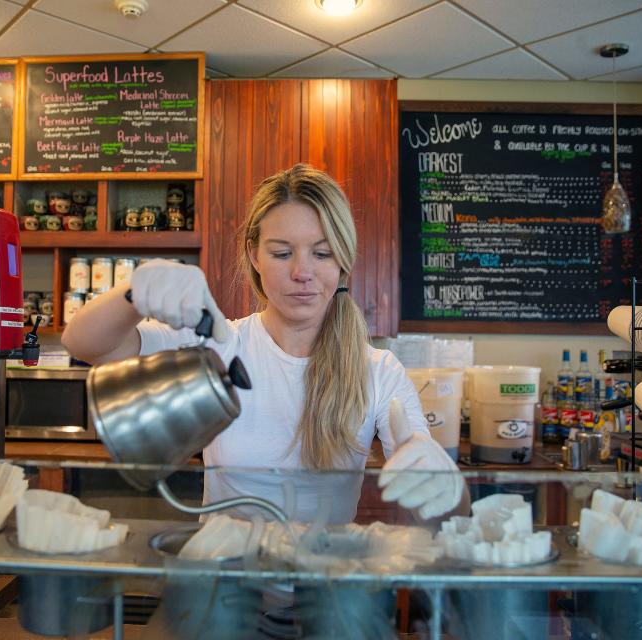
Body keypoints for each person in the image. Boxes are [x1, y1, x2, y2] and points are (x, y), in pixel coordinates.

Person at [62, 163, 463, 524]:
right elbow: (84, 344)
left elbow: (450, 514)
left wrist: (439, 478)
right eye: (282, 252)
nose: (302, 272)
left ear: (343, 259)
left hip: (324, 592)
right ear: (254, 254)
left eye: (322, 253)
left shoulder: (378, 371)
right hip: (226, 589)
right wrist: (136, 289)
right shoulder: (216, 345)